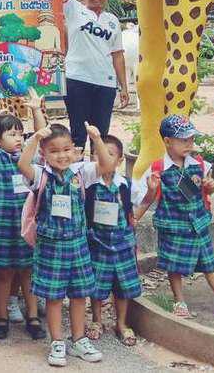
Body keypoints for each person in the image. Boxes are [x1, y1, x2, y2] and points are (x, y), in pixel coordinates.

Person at [17, 122, 115, 367]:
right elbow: (22, 165)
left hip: (78, 244)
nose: (61, 155)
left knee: (80, 295)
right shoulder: (40, 176)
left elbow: (107, 166)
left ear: (74, 149)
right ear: (44, 154)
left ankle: (79, 339)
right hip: (50, 247)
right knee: (54, 297)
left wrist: (97, 139)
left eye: (66, 149)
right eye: (54, 151)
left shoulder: (81, 173)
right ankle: (57, 342)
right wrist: (34, 139)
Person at [133, 115, 214, 323]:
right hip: (173, 228)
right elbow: (146, 200)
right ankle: (179, 300)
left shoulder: (199, 164)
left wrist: (210, 187)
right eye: (184, 140)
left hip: (198, 226)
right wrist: (136, 217)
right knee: (174, 265)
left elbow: (207, 190)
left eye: (191, 139)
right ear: (167, 141)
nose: (189, 144)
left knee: (210, 265)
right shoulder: (157, 169)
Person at [0, 98, 45, 341]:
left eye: (20, 134)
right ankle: (1, 317)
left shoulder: (29, 158)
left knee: (28, 272)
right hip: (1, 226)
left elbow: (42, 137)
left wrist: (36, 110)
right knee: (4, 274)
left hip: (27, 226)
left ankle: (33, 317)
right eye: (12, 134)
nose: (18, 138)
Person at [83, 134, 142, 346]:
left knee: (122, 286)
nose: (102, 157)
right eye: (97, 153)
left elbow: (139, 206)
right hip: (97, 243)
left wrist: (153, 191)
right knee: (97, 285)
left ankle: (121, 323)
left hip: (123, 244)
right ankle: (97, 320)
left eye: (109, 154)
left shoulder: (126, 184)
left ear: (120, 160)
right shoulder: (89, 184)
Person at [61, 0, 129, 150]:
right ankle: (77, 168)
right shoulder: (74, 9)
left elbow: (117, 55)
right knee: (78, 135)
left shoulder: (112, 20)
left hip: (105, 85)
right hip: (77, 81)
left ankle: (97, 167)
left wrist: (124, 87)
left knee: (100, 137)